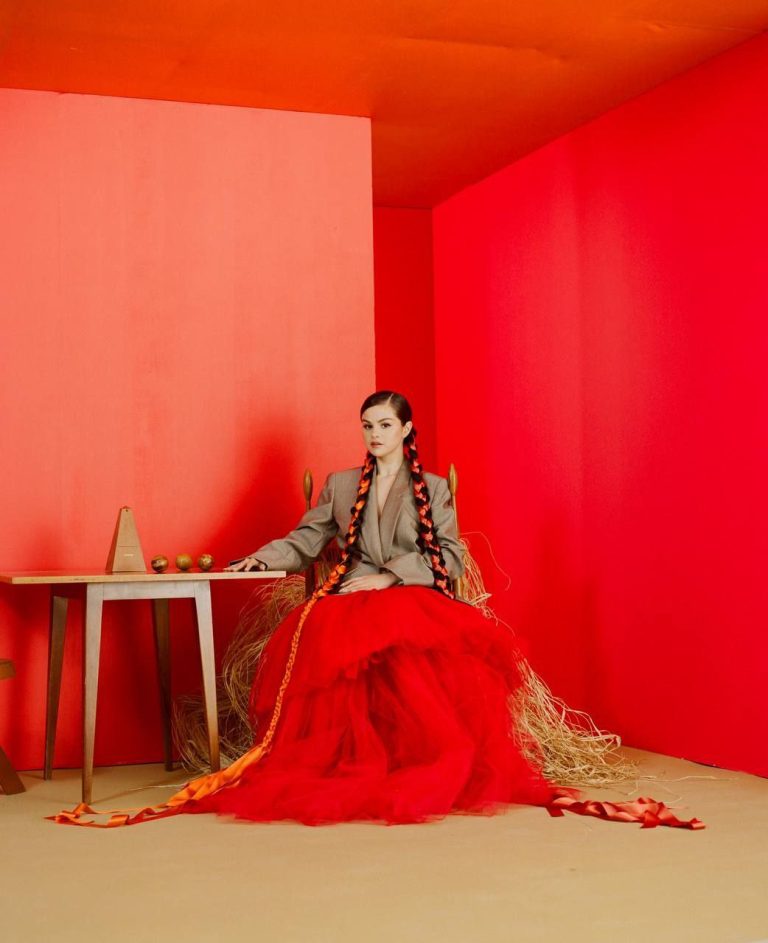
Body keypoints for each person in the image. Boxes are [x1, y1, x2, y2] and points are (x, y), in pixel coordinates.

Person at [53, 391, 702, 829]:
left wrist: (389, 575)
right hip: (350, 590)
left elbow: (449, 553)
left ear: (406, 430)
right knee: (328, 627)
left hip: (409, 590)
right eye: (367, 426)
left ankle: (416, 762)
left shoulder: (433, 488)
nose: (374, 434)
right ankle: (353, 763)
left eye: (385, 425)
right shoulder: (342, 486)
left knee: (409, 634)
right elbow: (307, 537)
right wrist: (260, 558)